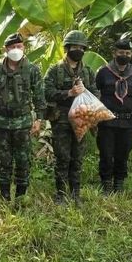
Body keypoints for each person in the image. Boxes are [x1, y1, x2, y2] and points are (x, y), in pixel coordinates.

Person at [0, 33, 45, 201]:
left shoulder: (32, 69)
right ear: (6, 49)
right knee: (3, 161)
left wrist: (39, 119)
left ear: (24, 48)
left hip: (23, 122)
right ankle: (4, 197)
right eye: (12, 47)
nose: (16, 50)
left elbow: (39, 96)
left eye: (19, 46)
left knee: (23, 160)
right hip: (1, 122)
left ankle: (20, 197)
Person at [43, 30, 99, 205]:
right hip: (61, 119)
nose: (79, 50)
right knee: (62, 157)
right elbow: (46, 92)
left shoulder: (88, 71)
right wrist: (68, 93)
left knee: (77, 157)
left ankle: (75, 194)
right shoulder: (55, 70)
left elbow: (96, 93)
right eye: (75, 47)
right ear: (67, 48)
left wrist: (86, 92)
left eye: (82, 48)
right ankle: (61, 194)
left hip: (81, 117)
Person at [95, 34, 132, 194]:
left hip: (127, 123)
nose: (124, 55)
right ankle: (106, 185)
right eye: (121, 52)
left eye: (127, 53)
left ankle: (119, 184)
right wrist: (93, 120)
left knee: (122, 155)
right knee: (106, 154)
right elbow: (95, 97)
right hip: (106, 122)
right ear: (114, 53)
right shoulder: (103, 72)